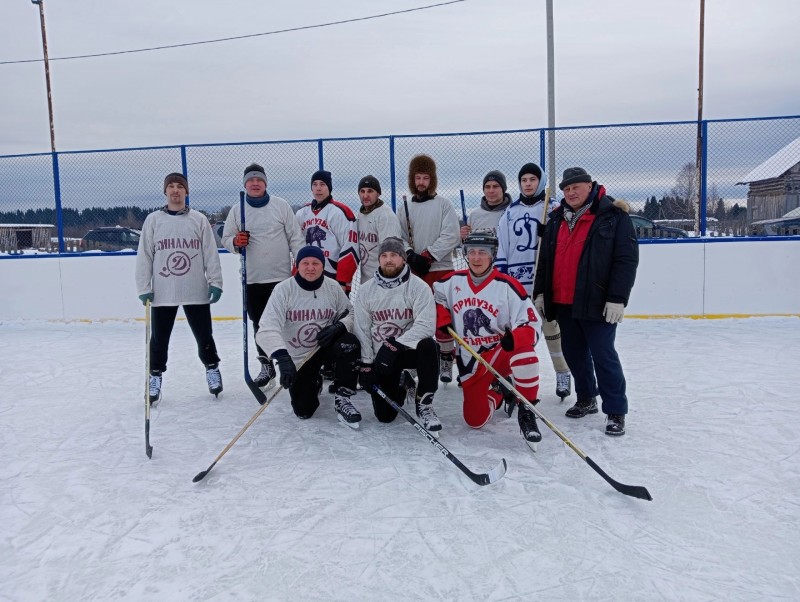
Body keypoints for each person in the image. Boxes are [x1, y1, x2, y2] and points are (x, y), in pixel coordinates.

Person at [532, 167, 638, 436]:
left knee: (603, 355)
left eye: (576, 187)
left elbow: (626, 260)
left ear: (590, 186)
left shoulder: (612, 215)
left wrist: (617, 298)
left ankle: (615, 410)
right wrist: (541, 292)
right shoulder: (556, 218)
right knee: (575, 355)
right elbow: (545, 260)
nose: (571, 192)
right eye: (566, 189)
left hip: (597, 301)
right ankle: (587, 397)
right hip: (564, 302)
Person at [433, 232, 543, 449]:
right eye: (471, 252)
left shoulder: (507, 286)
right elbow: (436, 297)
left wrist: (517, 338)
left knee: (525, 354)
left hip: (498, 353)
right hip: (471, 362)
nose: (476, 258)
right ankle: (500, 391)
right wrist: (443, 316)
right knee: (475, 420)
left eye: (482, 252)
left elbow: (531, 322)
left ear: (493, 255)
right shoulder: (450, 281)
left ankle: (527, 410)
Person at [135, 172, 224, 403]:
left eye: (180, 187)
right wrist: (144, 287)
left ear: (186, 191)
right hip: (164, 291)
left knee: (204, 334)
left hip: (195, 288)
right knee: (159, 339)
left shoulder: (198, 219)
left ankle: (212, 367)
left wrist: (215, 282)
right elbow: (144, 255)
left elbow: (210, 253)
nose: (176, 190)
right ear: (165, 192)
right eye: (171, 187)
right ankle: (155, 376)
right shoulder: (153, 220)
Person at [255, 246, 362, 428]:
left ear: (322, 266)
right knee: (304, 411)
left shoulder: (332, 287)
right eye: (305, 263)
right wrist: (282, 357)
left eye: (315, 263)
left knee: (349, 344)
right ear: (297, 265)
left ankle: (343, 396)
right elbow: (266, 328)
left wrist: (339, 326)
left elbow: (350, 313)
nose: (310, 268)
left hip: (324, 347)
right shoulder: (283, 290)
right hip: (299, 357)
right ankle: (315, 381)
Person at [495, 163, 573, 401]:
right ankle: (511, 376)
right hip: (518, 283)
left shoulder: (553, 210)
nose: (528, 183)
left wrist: (547, 232)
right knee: (517, 333)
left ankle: (563, 372)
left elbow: (564, 243)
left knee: (551, 330)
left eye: (532, 179)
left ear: (540, 182)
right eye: (524, 180)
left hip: (543, 282)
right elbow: (503, 246)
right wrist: (503, 279)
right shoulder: (510, 212)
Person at [221, 163, 303, 388]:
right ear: (245, 183)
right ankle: (266, 364)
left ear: (265, 183)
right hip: (253, 279)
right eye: (251, 180)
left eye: (259, 180)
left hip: (282, 279)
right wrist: (236, 242)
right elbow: (226, 239)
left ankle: (292, 361)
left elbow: (296, 237)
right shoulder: (238, 210)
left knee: (288, 323)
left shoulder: (280, 206)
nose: (255, 183)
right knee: (259, 324)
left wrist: (301, 265)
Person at [353, 237, 441, 431]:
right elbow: (361, 328)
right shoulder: (367, 290)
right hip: (382, 358)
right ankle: (402, 383)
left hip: (407, 351)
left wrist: (396, 344)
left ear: (403, 258)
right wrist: (367, 364)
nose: (389, 259)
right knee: (385, 416)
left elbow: (426, 326)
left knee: (429, 345)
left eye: (394, 255)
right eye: (384, 255)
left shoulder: (418, 287)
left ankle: (424, 404)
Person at [397, 154, 461, 383]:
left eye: (426, 178)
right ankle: (414, 359)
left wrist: (428, 255)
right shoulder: (404, 207)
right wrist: (411, 255)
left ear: (432, 180)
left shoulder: (444, 204)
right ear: (412, 180)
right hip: (415, 271)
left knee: (443, 316)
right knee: (416, 315)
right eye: (418, 178)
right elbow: (400, 236)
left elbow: (451, 234)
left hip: (440, 268)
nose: (421, 182)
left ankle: (446, 358)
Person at [295, 170, 359, 294]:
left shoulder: (340, 212)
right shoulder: (302, 213)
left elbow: (350, 247)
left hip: (332, 277)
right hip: (306, 275)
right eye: (315, 184)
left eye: (322, 184)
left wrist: (342, 280)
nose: (318, 188)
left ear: (329, 187)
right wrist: (296, 271)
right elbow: (297, 245)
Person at [356, 175, 403, 285]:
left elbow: (392, 252)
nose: (365, 195)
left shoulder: (385, 216)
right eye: (362, 191)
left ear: (378, 193)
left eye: (370, 191)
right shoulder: (361, 214)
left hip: (384, 279)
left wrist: (388, 279)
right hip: (367, 279)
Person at [459, 170, 512, 240]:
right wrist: (463, 237)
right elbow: (468, 245)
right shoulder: (474, 215)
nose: (491, 191)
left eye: (495, 186)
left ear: (503, 189)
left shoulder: (512, 213)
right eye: (487, 187)